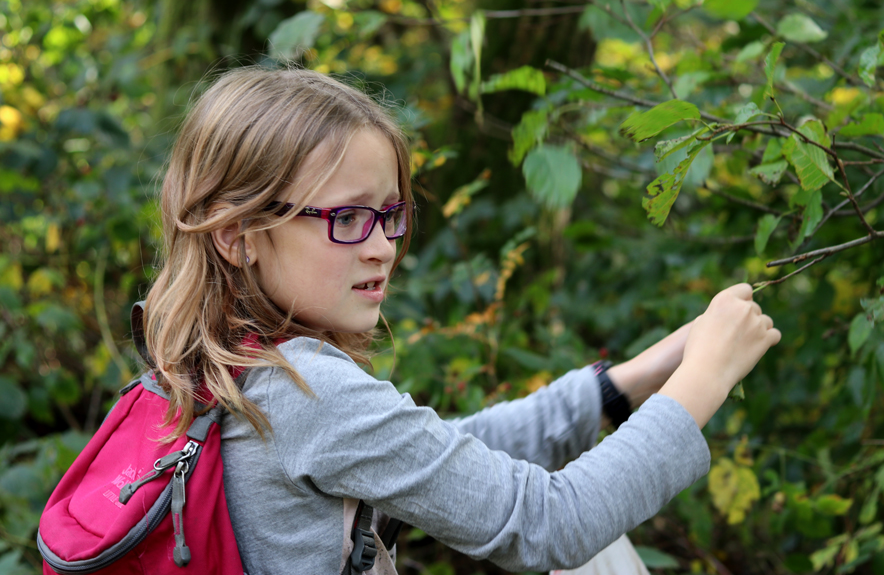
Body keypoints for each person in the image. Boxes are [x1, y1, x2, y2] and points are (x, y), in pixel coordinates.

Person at [142, 66, 781, 574]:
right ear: (238, 234)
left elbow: (439, 456)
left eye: (389, 214)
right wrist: (705, 381)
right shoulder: (305, 391)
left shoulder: (218, 366)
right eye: (345, 218)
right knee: (592, 555)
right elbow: (550, 524)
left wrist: (632, 379)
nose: (382, 246)